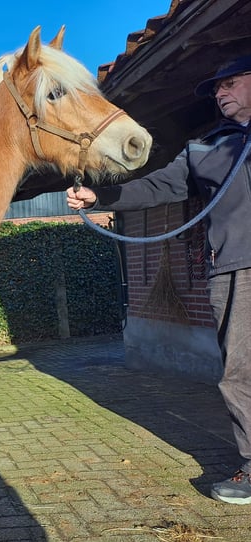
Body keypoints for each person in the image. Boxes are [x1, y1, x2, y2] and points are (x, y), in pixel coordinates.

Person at [66, 55, 251, 505]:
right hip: (237, 271)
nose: (220, 94)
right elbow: (159, 187)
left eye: (229, 84)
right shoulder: (208, 146)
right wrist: (101, 194)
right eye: (216, 89)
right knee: (240, 372)